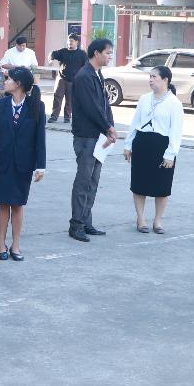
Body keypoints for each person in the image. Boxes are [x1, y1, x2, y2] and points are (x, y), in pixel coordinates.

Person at [0, 67, 46, 261]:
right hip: (2, 163)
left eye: (9, 79)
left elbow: (40, 139)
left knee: (18, 205)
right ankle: (1, 244)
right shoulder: (1, 105)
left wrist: (40, 166)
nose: (5, 82)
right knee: (3, 204)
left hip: (23, 164)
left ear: (18, 84)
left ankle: (16, 245)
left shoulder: (37, 106)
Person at [123, 65, 184, 234]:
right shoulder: (144, 99)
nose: (150, 80)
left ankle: (158, 220)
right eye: (149, 77)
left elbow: (176, 131)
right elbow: (135, 123)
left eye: (154, 77)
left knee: (162, 186)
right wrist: (128, 145)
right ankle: (141, 218)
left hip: (162, 146)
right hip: (142, 143)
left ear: (165, 80)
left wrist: (171, 154)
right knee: (139, 183)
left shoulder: (174, 103)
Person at [69, 37, 116, 243]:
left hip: (98, 137)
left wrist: (110, 127)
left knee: (93, 181)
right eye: (107, 53)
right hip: (86, 137)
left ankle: (86, 220)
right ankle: (76, 224)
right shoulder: (84, 76)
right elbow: (92, 108)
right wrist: (108, 127)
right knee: (83, 181)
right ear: (96, 53)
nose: (110, 56)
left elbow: (105, 105)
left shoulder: (98, 74)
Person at [50, 35, 87, 124]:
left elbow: (86, 66)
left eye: (72, 41)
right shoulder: (63, 51)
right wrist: (50, 60)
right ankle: (54, 116)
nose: (70, 43)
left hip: (74, 81)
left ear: (77, 42)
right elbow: (52, 54)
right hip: (61, 79)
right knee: (57, 98)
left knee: (70, 100)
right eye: (69, 41)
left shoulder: (82, 54)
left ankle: (67, 117)